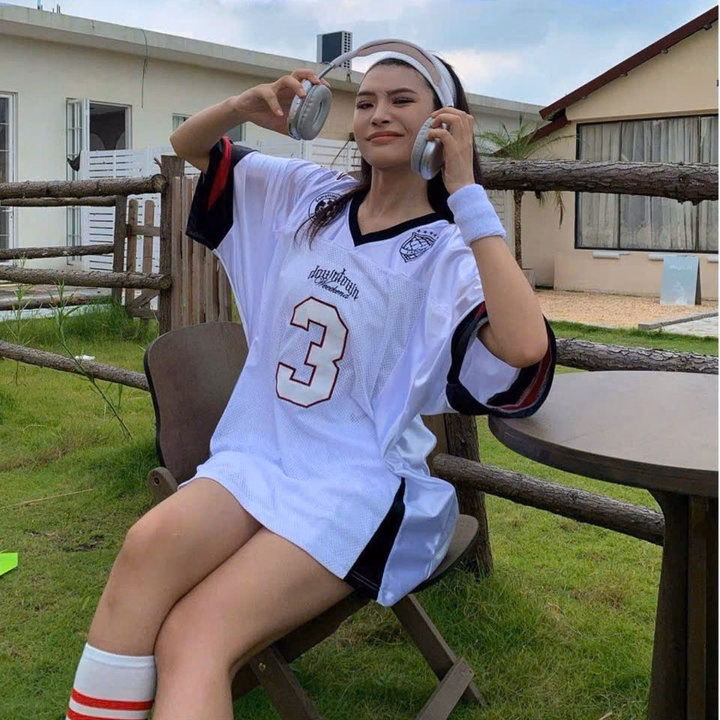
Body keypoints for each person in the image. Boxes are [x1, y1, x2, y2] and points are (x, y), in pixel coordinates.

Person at [64, 42, 555, 720]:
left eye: (402, 101)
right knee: (144, 548)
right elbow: (189, 145)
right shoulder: (309, 195)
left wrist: (467, 191)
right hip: (260, 453)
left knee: (194, 635)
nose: (379, 114)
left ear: (443, 123)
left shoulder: (451, 249)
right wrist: (245, 105)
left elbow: (525, 345)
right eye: (367, 102)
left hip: (358, 484)